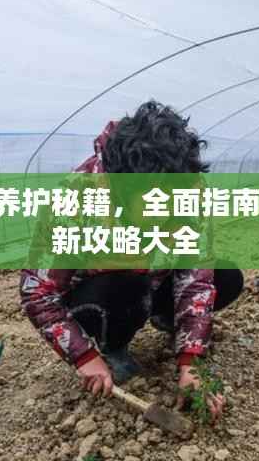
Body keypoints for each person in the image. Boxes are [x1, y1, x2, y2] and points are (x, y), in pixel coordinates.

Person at [19, 101, 243, 422]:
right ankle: (111, 345)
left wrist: (191, 361)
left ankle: (168, 320)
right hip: (102, 294)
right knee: (127, 281)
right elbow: (38, 293)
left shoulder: (186, 188)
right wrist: (84, 357)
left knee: (226, 276)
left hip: (153, 279)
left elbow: (196, 279)